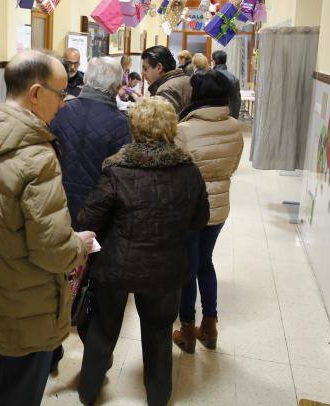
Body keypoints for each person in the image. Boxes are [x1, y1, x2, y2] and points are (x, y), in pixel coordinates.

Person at [0, 50, 95, 406]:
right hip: (26, 303)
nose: (63, 103)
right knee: (20, 391)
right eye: (61, 94)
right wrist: (81, 245)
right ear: (36, 93)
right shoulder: (36, 157)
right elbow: (53, 250)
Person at [77, 97, 210, 406]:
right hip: (166, 266)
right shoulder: (188, 170)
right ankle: (158, 395)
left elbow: (87, 219)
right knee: (159, 333)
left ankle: (88, 391)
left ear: (133, 127)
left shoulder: (116, 169)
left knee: (103, 329)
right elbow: (200, 218)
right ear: (171, 128)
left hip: (115, 266)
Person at [172, 70, 244, 354]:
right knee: (206, 263)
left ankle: (187, 330)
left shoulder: (184, 130)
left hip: (190, 209)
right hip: (219, 207)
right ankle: (210, 326)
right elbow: (234, 165)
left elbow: (175, 172)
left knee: (188, 268)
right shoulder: (235, 127)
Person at [50, 56, 131, 227]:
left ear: (85, 79)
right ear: (117, 87)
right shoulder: (121, 124)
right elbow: (121, 176)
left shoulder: (60, 110)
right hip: (98, 210)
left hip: (56, 199)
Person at [141, 45, 192, 113]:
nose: (142, 73)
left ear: (159, 67)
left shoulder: (165, 91)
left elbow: (164, 122)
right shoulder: (185, 78)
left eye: (145, 69)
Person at [212, 50, 242, 119]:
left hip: (213, 117)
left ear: (214, 62)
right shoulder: (234, 78)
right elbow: (236, 101)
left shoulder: (210, 77)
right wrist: (234, 118)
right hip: (228, 116)